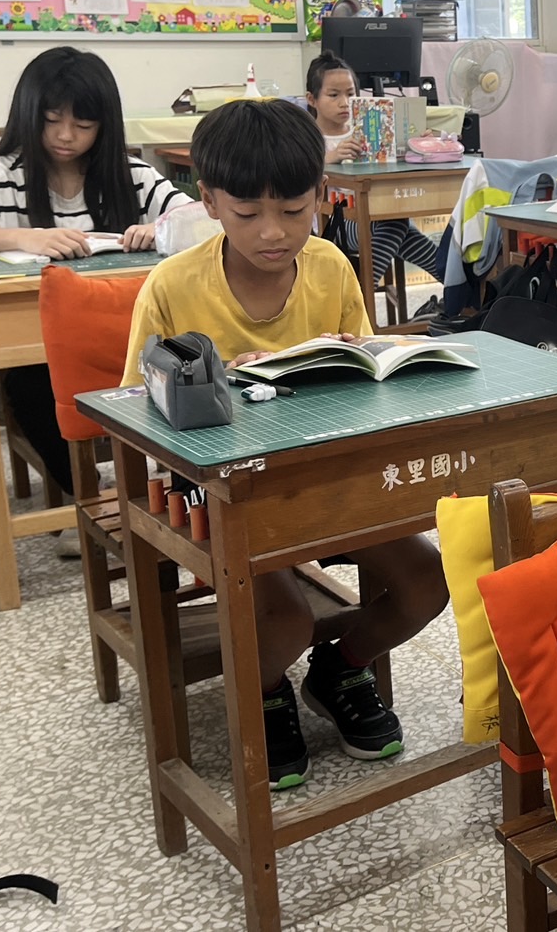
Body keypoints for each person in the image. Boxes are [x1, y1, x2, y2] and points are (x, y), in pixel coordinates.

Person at [120, 99, 450, 790]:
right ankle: (266, 689)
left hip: (327, 477)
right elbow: (133, 411)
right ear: (209, 200)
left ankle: (341, 668)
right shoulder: (172, 286)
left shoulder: (330, 268)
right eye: (247, 214)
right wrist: (220, 385)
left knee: (428, 581)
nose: (273, 233)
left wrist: (360, 360)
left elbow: (370, 382)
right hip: (221, 492)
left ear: (321, 197)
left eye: (295, 211)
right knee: (287, 619)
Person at [0, 46, 191, 553]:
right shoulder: (4, 175)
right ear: (29, 115)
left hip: (132, 331)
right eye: (51, 120)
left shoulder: (130, 174)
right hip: (42, 342)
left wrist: (160, 228)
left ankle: (178, 496)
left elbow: (199, 217)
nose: (65, 135)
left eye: (83, 124)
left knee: (190, 368)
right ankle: (92, 497)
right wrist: (24, 236)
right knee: (29, 388)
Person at [306, 52, 439, 318]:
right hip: (333, 223)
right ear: (312, 99)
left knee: (394, 222)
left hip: (374, 216)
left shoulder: (369, 130)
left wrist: (417, 144)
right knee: (395, 222)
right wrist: (328, 158)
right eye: (333, 95)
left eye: (351, 94)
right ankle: (460, 288)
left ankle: (356, 297)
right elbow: (295, 176)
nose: (345, 102)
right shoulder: (308, 138)